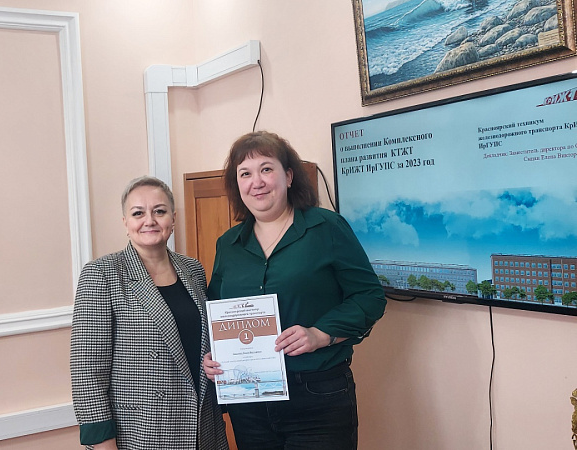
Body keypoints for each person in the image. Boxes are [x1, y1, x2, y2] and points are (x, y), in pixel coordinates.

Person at [203, 131, 387, 450]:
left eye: (266, 169)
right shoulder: (228, 245)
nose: (256, 182)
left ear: (288, 176)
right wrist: (215, 355)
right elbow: (216, 310)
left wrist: (321, 334)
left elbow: (370, 297)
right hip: (249, 403)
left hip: (317, 397)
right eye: (245, 173)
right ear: (237, 185)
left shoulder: (327, 228)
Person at [71, 176, 229, 450]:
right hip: (143, 432)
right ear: (125, 222)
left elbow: (200, 342)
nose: (150, 220)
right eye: (138, 213)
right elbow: (87, 372)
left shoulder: (193, 269)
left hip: (203, 426)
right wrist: (103, 444)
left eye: (159, 211)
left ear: (173, 218)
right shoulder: (102, 274)